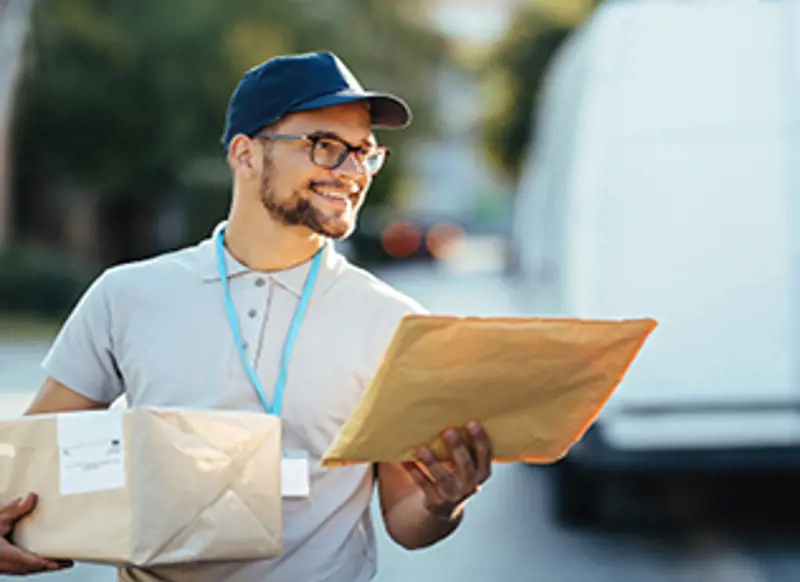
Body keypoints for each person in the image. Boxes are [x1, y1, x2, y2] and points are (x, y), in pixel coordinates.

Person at [0, 51, 494, 581]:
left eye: (365, 153)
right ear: (245, 154)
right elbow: (34, 463)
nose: (352, 172)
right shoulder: (128, 295)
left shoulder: (395, 322)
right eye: (326, 147)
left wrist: (444, 503)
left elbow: (405, 517)